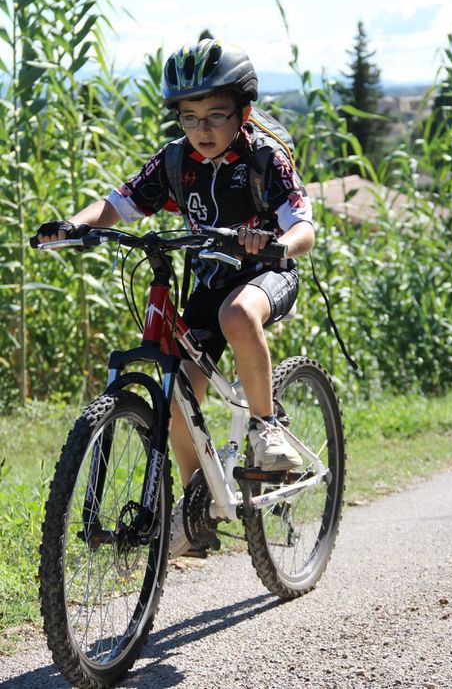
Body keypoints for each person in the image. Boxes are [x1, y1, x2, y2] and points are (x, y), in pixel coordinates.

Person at [35, 38, 315, 557]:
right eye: (189, 118)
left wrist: (275, 244)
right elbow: (118, 204)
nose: (201, 130)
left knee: (238, 314)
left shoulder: (264, 159)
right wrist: (74, 226)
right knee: (180, 390)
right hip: (209, 280)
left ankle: (267, 426)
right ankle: (197, 501)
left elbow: (304, 229)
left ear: (243, 113)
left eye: (214, 116)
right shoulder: (174, 162)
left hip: (266, 273)